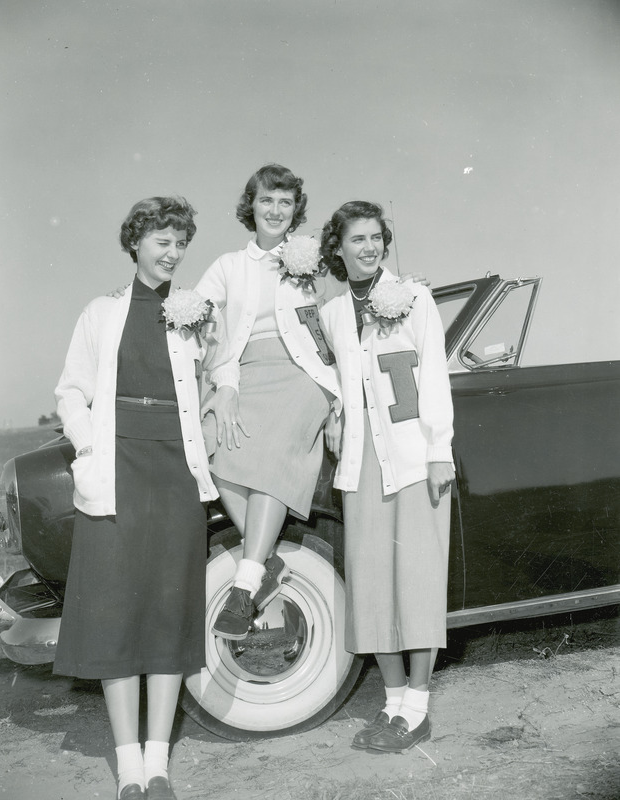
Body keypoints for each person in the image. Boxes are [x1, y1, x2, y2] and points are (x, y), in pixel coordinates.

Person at [53, 197, 239, 800]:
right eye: (162, 240)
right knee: (114, 615)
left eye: (181, 242)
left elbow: (225, 366)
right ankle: (127, 766)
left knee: (166, 613)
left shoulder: (194, 314)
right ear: (135, 243)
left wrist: (225, 392)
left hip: (175, 476)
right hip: (116, 476)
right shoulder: (100, 313)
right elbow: (71, 393)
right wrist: (88, 449)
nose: (173, 252)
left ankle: (158, 765)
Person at [318, 201, 455, 753]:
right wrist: (333, 408)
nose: (369, 247)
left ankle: (417, 707)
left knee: (416, 579)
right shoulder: (331, 313)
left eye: (377, 237)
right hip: (361, 460)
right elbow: (329, 375)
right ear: (338, 247)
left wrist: (440, 450)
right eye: (357, 239)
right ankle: (392, 699)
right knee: (373, 581)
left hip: (413, 453)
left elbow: (436, 376)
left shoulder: (414, 297)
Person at [196, 163, 344, 641]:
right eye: (267, 200)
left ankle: (246, 581)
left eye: (285, 202)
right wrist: (225, 387)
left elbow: (357, 293)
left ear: (295, 209)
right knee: (212, 444)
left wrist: (400, 286)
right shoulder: (227, 267)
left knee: (272, 451)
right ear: (251, 207)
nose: (276, 210)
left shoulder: (314, 259)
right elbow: (195, 320)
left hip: (305, 375)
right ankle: (268, 560)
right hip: (245, 374)